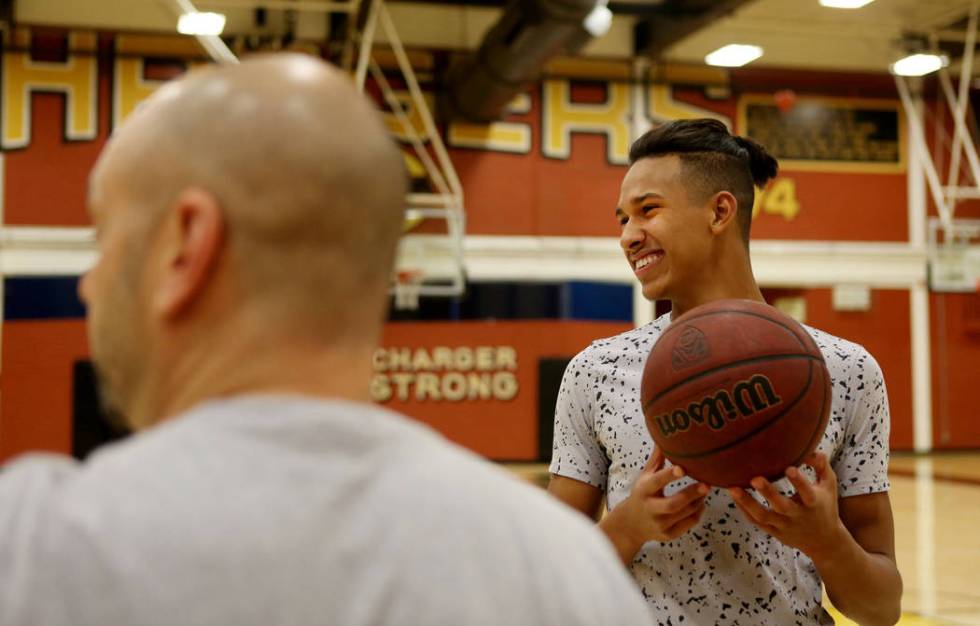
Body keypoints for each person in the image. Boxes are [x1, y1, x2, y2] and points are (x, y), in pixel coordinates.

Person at [0, 54, 652, 626]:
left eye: (104, 239)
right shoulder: (565, 571)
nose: (88, 284)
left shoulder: (30, 548)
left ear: (184, 245)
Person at [547, 118, 902, 626]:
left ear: (719, 211)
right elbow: (548, 580)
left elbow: (881, 608)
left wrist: (827, 542)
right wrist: (628, 526)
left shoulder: (845, 370)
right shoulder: (595, 372)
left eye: (647, 210)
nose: (628, 236)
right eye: (621, 220)